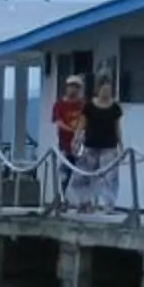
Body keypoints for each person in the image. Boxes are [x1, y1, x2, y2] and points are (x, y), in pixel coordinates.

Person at [81, 71, 124, 211]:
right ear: (98, 89)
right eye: (104, 89)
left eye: (109, 90)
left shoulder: (115, 108)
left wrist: (120, 144)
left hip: (109, 145)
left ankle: (109, 204)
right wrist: (77, 138)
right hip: (91, 144)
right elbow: (83, 125)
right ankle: (89, 202)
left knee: (109, 176)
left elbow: (117, 127)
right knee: (89, 174)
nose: (106, 92)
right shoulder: (89, 106)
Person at [50, 74, 86, 206]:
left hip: (81, 144)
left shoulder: (83, 105)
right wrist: (72, 131)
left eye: (77, 87)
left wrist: (81, 133)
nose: (74, 90)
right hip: (65, 144)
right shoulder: (59, 105)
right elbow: (58, 122)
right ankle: (64, 199)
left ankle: (83, 202)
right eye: (71, 86)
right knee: (65, 172)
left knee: (82, 173)